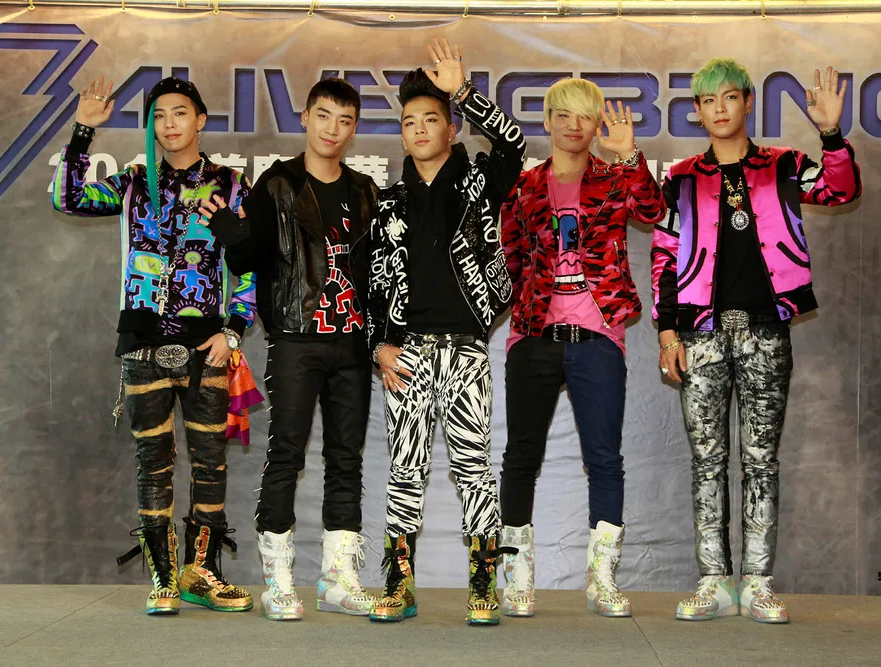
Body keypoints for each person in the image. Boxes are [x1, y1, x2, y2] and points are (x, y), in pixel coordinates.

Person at [652, 58, 860, 623]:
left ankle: (759, 583)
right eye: (707, 101)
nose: (719, 109)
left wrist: (831, 134)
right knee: (706, 462)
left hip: (767, 332)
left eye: (729, 97)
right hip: (700, 336)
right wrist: (668, 332)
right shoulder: (681, 177)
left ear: (748, 102)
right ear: (697, 113)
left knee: (762, 460)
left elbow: (841, 189)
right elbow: (664, 256)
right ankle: (714, 582)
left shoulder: (784, 164)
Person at [51, 75, 256, 614]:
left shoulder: (231, 185)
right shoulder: (133, 183)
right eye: (159, 116)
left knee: (211, 462)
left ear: (200, 120)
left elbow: (251, 266)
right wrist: (82, 131)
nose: (169, 124)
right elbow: (67, 197)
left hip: (206, 348)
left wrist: (233, 330)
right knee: (153, 461)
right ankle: (163, 578)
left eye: (179, 113)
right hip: (142, 345)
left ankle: (202, 573)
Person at [200, 78, 377, 621]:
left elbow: (379, 270)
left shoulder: (365, 191)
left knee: (346, 459)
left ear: (354, 128)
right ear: (305, 117)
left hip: (353, 345)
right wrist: (231, 234)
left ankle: (338, 580)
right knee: (287, 455)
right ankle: (278, 583)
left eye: (344, 120)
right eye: (323, 116)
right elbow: (247, 261)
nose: (332, 129)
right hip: (297, 338)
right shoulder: (277, 184)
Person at [364, 38, 525, 626]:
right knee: (404, 471)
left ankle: (483, 582)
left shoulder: (480, 181)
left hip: (466, 351)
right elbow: (370, 284)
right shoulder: (387, 203)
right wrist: (377, 346)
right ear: (402, 135)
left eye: (431, 119)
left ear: (451, 128)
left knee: (473, 470)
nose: (419, 129)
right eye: (409, 122)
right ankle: (398, 583)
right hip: (406, 355)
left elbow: (514, 145)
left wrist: (465, 92)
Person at [499, 76, 666, 618]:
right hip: (534, 339)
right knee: (520, 458)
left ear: (597, 125)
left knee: (605, 460)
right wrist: (527, 313)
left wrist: (630, 156)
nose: (574, 125)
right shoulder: (524, 187)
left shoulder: (615, 179)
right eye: (564, 115)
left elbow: (653, 211)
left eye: (585, 116)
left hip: (598, 338)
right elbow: (512, 259)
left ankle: (602, 580)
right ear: (547, 121)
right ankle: (517, 578)